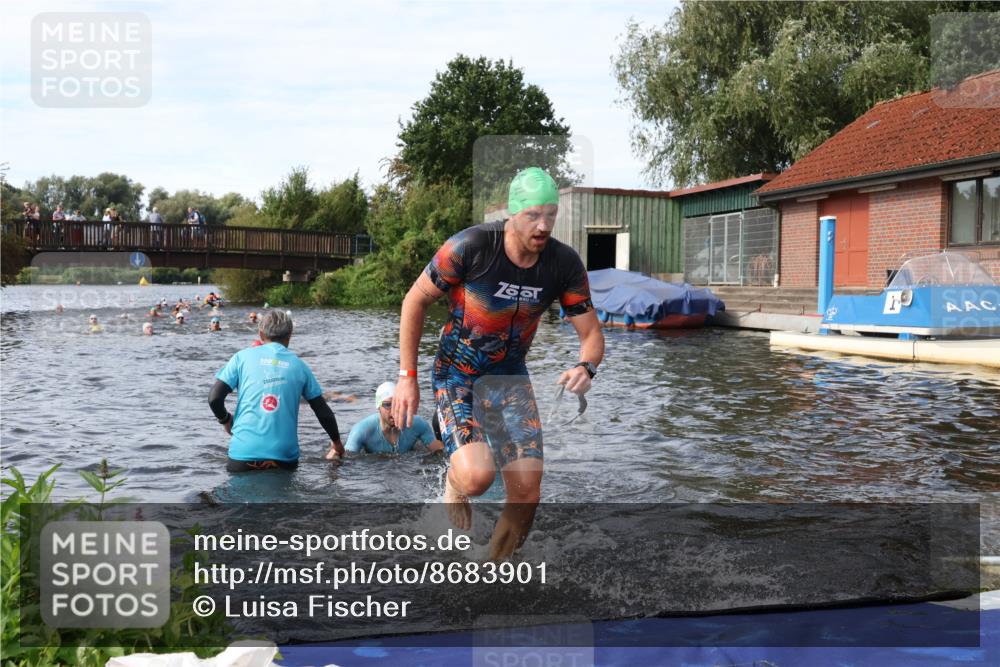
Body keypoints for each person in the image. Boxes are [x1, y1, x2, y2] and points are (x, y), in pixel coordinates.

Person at [393, 167, 604, 560]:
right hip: (457, 374)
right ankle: (454, 486)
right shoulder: (472, 247)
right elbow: (414, 301)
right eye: (533, 215)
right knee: (477, 476)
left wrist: (585, 368)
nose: (543, 226)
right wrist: (407, 377)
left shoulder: (563, 264)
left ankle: (493, 570)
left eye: (551, 215)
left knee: (527, 494)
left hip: (510, 378)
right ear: (513, 213)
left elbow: (591, 335)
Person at [208, 309, 344, 472]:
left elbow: (214, 398)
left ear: (260, 333)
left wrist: (226, 420)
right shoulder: (300, 366)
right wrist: (337, 444)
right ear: (290, 335)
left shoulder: (241, 358)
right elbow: (323, 412)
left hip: (243, 454)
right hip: (284, 456)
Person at [327, 382, 443, 460]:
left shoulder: (417, 424)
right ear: (378, 406)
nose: (393, 411)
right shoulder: (361, 431)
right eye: (387, 405)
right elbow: (346, 460)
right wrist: (335, 456)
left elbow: (439, 451)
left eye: (397, 404)